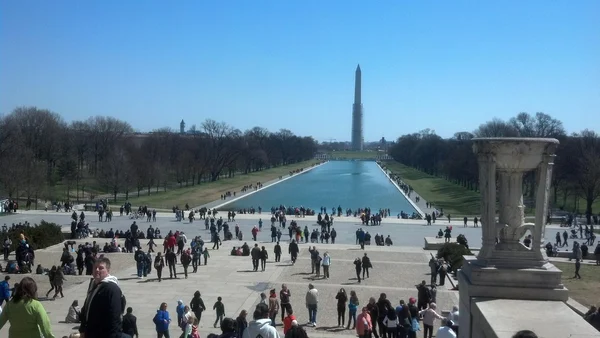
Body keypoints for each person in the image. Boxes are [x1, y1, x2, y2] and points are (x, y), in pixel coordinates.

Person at [79, 256, 124, 338]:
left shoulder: (112, 288)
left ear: (108, 270)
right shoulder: (93, 284)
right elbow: (86, 308)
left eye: (101, 268)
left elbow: (115, 316)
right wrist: (82, 329)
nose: (97, 270)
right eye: (95, 267)